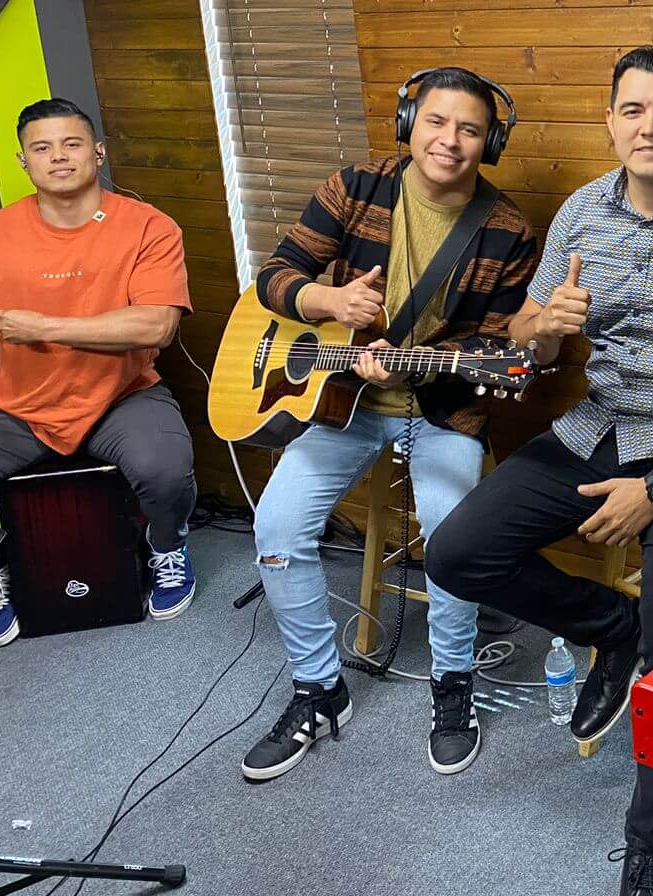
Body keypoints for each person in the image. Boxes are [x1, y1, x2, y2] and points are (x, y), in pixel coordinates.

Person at [426, 47, 653, 896]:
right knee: (456, 553)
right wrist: (543, 327)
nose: (650, 127)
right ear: (611, 123)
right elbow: (529, 341)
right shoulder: (581, 214)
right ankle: (610, 628)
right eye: (633, 109)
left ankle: (649, 843)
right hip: (599, 427)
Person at [240, 67, 536, 784]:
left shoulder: (508, 232)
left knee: (451, 536)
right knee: (275, 528)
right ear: (410, 123)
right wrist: (328, 302)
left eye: (469, 129)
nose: (449, 140)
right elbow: (275, 276)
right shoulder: (354, 188)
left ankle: (453, 682)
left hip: (442, 412)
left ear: (489, 142)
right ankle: (318, 688)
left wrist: (415, 368)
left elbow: (502, 347)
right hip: (339, 404)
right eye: (435, 121)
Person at [0, 98, 198, 646]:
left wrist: (44, 327)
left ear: (98, 153)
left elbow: (157, 326)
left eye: (71, 143)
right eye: (42, 148)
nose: (58, 156)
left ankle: (168, 547)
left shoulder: (148, 226)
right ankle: (4, 567)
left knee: (166, 470)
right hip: (15, 411)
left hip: (121, 398)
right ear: (24, 162)